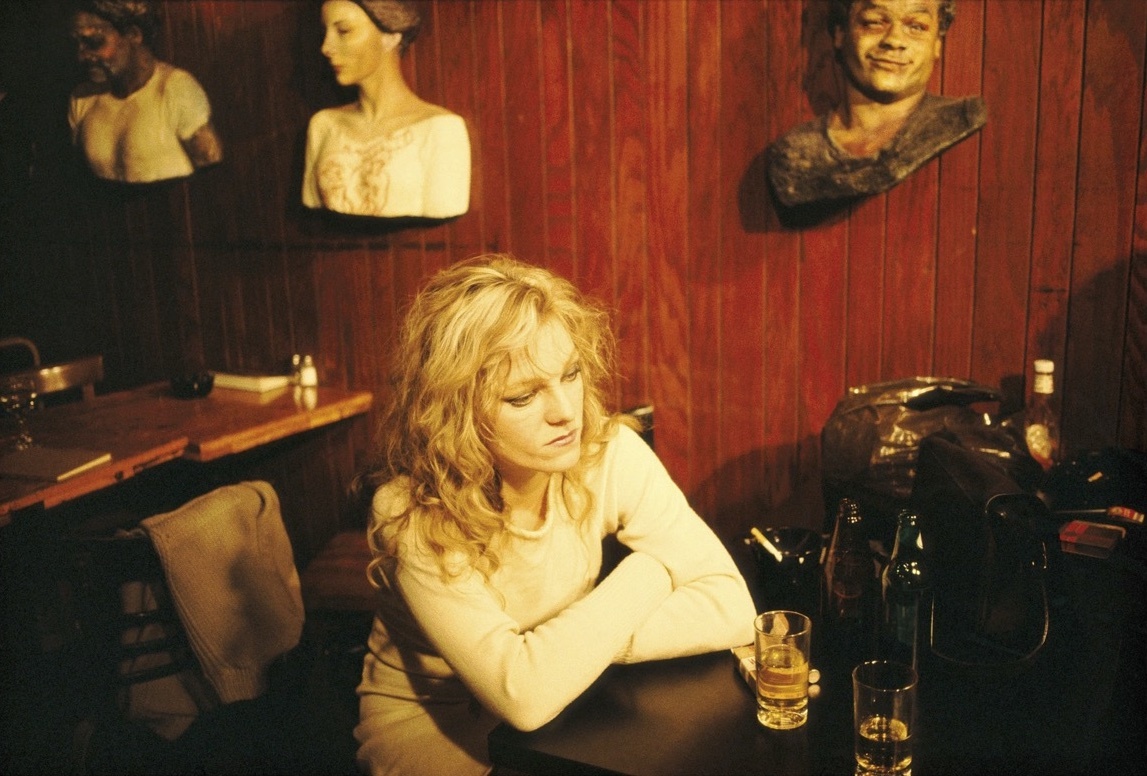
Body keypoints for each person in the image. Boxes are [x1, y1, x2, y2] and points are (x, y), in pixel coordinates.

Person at [352, 255, 756, 775]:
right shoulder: (411, 512)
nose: (566, 412)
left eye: (571, 374)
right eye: (523, 396)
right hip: (437, 733)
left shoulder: (607, 452)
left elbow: (731, 605)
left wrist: (568, 654)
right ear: (457, 411)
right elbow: (523, 698)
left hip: (569, 710)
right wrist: (653, 570)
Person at [768, 0, 985, 208]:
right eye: (874, 22)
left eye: (916, 27)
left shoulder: (963, 122)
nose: (894, 40)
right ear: (840, 33)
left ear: (937, 44)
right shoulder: (795, 154)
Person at [302, 0, 471, 219]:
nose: (326, 48)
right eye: (325, 33)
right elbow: (312, 207)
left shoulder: (440, 129)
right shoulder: (324, 126)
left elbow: (445, 208)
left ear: (391, 37)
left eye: (344, 31)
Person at [67, 0, 223, 183]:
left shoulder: (176, 88)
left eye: (94, 42)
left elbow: (211, 175)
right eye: (76, 45)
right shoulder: (82, 98)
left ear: (133, 35)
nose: (82, 56)